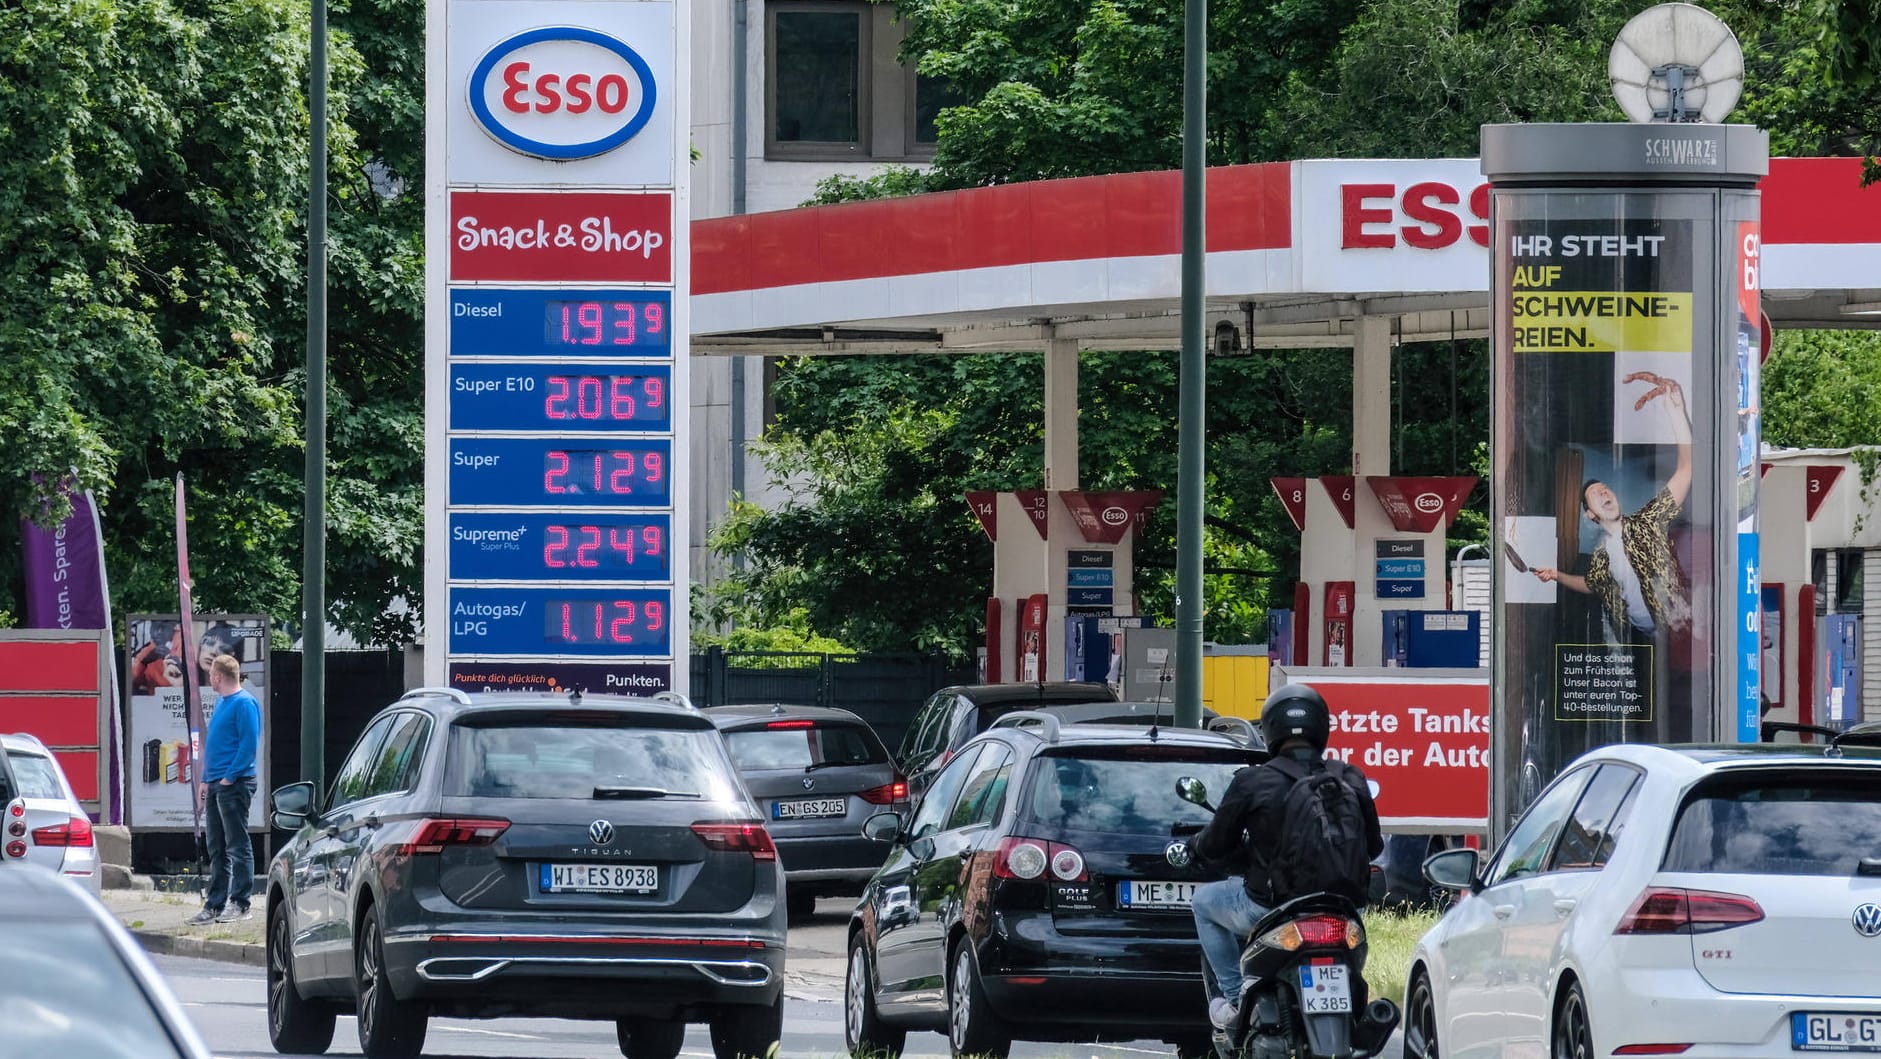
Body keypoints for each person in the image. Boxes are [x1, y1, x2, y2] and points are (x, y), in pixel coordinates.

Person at [1189, 684, 1383, 1030]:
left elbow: (1215, 845)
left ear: (1270, 729)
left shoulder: (1253, 781)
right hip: (1343, 910)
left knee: (1203, 903)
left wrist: (1199, 847)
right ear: (1322, 728)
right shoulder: (1349, 777)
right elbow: (1375, 847)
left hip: (1271, 908)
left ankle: (1235, 999)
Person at [1534, 371, 1694, 641]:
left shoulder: (1648, 521)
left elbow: (1685, 470)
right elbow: (1591, 584)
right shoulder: (1601, 554)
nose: (1604, 492)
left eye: (1605, 488)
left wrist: (1676, 413)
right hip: (1644, 637)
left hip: (1681, 632)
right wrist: (1556, 575)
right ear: (1590, 513)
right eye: (1596, 493)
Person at [189, 654, 262, 925]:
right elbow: (217, 746)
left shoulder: (244, 703)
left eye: (211, 675)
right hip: (218, 782)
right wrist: (206, 780)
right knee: (217, 846)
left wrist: (229, 778)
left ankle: (241, 902)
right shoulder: (222, 702)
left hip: (234, 783)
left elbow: (248, 745)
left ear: (219, 676)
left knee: (236, 843)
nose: (210, 679)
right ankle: (215, 904)